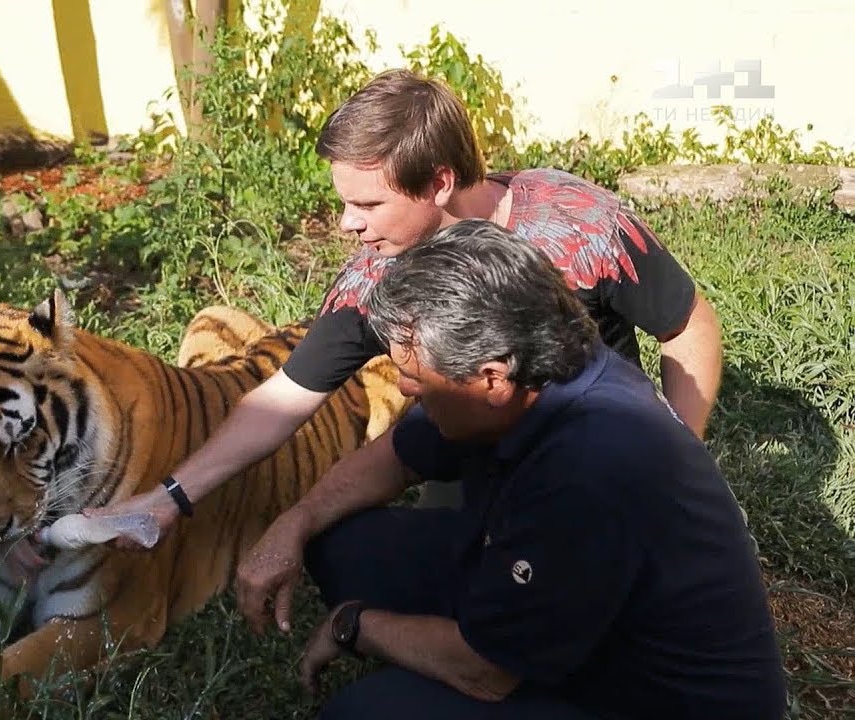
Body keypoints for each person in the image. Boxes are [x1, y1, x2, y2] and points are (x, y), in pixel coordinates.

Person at [90, 67, 723, 546]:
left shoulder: (577, 226)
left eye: (367, 204)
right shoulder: (376, 274)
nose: (346, 224)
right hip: (473, 454)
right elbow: (284, 398)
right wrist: (167, 499)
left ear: (440, 181)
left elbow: (687, 325)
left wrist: (670, 461)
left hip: (598, 454)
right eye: (345, 202)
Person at [235, 219, 784, 720]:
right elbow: (399, 456)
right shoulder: (539, 359)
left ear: (492, 380)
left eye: (414, 379)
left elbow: (489, 673)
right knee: (341, 541)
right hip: (571, 607)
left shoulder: (589, 468)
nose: (403, 388)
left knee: (363, 712)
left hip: (645, 696)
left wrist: (353, 627)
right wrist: (298, 520)